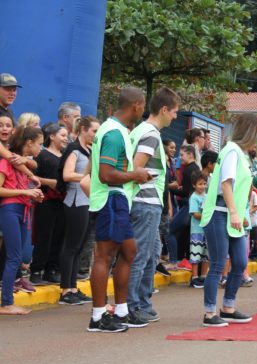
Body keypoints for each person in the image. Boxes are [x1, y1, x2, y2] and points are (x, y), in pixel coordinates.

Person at [87, 86, 152, 333]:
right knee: (105, 255)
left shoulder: (116, 129)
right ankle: (98, 316)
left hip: (117, 199)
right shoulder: (114, 133)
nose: (143, 110)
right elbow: (106, 174)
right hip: (110, 199)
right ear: (136, 105)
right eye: (143, 106)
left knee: (129, 250)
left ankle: (122, 311)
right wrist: (136, 175)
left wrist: (134, 176)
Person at [199, 113, 257, 327]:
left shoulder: (241, 154)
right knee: (218, 263)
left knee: (240, 262)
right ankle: (209, 313)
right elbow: (226, 183)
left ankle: (228, 307)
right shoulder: (231, 151)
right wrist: (234, 212)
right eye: (256, 133)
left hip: (233, 214)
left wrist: (240, 214)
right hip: (219, 212)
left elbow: (241, 188)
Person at [127, 87, 180, 323]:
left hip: (147, 202)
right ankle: (132, 306)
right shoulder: (150, 134)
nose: (175, 117)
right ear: (164, 109)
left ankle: (142, 303)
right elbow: (135, 168)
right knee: (141, 256)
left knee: (150, 255)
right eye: (175, 112)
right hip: (145, 202)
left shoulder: (142, 130)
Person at [0, 126, 45, 314]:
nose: (41, 148)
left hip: (23, 210)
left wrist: (33, 195)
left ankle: (7, 302)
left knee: (18, 257)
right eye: (39, 144)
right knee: (14, 257)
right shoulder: (6, 162)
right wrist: (26, 192)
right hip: (10, 210)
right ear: (29, 142)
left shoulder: (25, 164)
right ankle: (6, 303)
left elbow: (31, 167)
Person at [57, 116, 99, 305]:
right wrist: (88, 176)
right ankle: (66, 290)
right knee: (71, 245)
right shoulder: (74, 149)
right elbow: (66, 175)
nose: (96, 135)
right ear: (83, 129)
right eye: (94, 131)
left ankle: (73, 287)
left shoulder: (89, 150)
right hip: (75, 200)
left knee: (79, 246)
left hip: (87, 200)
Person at [30, 123, 69, 285]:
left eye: (67, 136)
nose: (66, 139)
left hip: (62, 202)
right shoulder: (42, 155)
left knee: (58, 237)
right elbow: (32, 177)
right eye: (62, 135)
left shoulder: (66, 156)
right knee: (44, 236)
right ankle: (36, 271)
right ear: (52, 137)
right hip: (46, 201)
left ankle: (50, 270)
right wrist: (51, 182)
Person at [167, 145, 199, 269]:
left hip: (188, 205)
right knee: (184, 235)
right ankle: (181, 260)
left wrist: (170, 188)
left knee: (170, 231)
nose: (180, 158)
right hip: (194, 207)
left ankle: (173, 261)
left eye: (182, 155)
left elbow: (185, 192)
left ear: (190, 154)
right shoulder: (196, 168)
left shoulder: (187, 170)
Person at [189, 172, 209, 289]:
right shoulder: (194, 197)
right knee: (195, 254)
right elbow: (195, 214)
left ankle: (203, 276)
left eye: (204, 183)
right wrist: (207, 217)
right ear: (194, 185)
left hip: (206, 230)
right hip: (197, 230)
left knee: (206, 254)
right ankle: (194, 277)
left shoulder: (207, 196)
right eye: (200, 184)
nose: (203, 186)